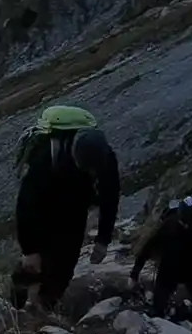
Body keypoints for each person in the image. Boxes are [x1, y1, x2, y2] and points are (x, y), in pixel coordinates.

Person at [11, 105, 122, 312]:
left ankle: (44, 309)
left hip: (75, 213)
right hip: (44, 210)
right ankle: (15, 307)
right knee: (32, 266)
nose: (89, 172)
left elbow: (110, 198)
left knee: (63, 270)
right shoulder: (44, 158)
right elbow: (26, 205)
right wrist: (30, 250)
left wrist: (103, 240)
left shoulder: (106, 160)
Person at [129, 188, 192, 334]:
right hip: (180, 268)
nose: (189, 224)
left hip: (183, 268)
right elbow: (148, 247)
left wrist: (135, 273)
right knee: (171, 304)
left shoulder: (181, 224)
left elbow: (148, 248)